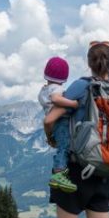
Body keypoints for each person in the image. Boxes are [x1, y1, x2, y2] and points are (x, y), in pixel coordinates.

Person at [44, 40, 109, 218]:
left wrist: (52, 139)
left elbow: (50, 119)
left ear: (89, 62)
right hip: (106, 168)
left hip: (76, 168)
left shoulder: (80, 86)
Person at [38, 56, 79, 193]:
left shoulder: (43, 91)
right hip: (61, 121)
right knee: (64, 146)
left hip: (54, 124)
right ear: (65, 77)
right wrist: (73, 104)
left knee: (62, 145)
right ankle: (59, 173)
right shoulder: (57, 90)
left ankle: (60, 171)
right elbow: (56, 99)